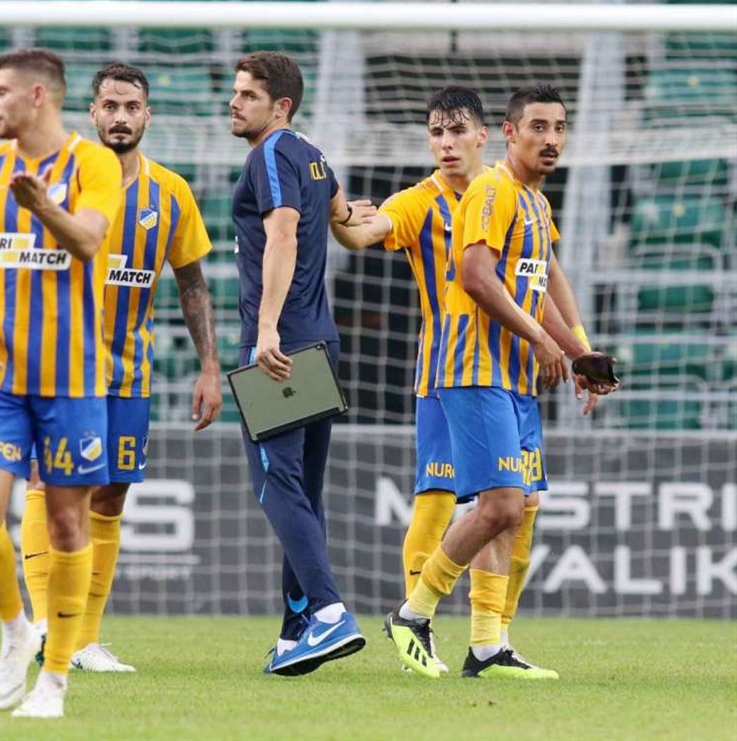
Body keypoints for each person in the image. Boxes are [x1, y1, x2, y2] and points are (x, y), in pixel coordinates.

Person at [383, 84, 618, 679]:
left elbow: (540, 286)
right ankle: (412, 613)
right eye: (538, 127)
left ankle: (488, 644)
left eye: (559, 128)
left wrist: (580, 354)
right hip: (472, 367)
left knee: (520, 506)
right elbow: (475, 276)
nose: (551, 139)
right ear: (508, 133)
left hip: (514, 377)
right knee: (497, 505)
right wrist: (542, 340)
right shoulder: (492, 189)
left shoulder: (535, 203)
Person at [20, 62, 222, 673]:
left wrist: (209, 366)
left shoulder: (171, 193)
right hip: (59, 365)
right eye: (110, 105)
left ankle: (83, 639)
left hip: (129, 371)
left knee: (109, 497)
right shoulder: (59, 177)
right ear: (92, 112)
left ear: (147, 115)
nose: (120, 117)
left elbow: (192, 283)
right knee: (47, 483)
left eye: (132, 107)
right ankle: (41, 625)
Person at [0, 48, 122, 719]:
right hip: (2, 377)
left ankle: (53, 679)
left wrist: (44, 207)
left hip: (74, 378)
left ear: (36, 96)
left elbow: (87, 241)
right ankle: (14, 627)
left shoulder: (93, 164)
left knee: (66, 521)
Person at [230, 51, 371, 676]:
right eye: (236, 92)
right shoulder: (314, 155)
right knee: (304, 491)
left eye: (248, 95)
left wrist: (265, 328)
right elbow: (340, 213)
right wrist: (357, 216)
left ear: (280, 106)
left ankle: (330, 610)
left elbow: (283, 233)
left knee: (275, 483)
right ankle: (296, 633)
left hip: (279, 346)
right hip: (320, 341)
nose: (234, 102)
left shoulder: (269, 154)